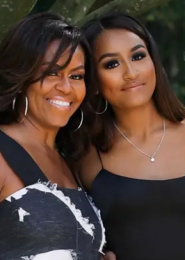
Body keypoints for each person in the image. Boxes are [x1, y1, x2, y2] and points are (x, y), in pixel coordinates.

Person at [78, 12, 185, 260]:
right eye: (111, 64)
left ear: (154, 62)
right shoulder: (86, 156)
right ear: (94, 81)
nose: (130, 72)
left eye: (138, 56)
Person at [0, 12, 105, 259]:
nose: (66, 88)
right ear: (21, 75)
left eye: (76, 76)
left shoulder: (69, 161)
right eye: (52, 73)